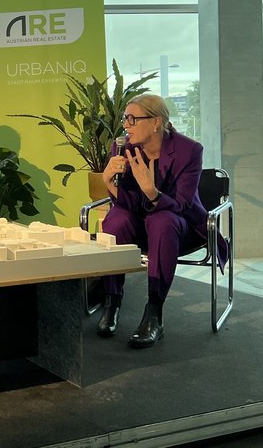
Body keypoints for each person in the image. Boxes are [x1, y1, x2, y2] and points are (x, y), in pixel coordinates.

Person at [96, 93, 227, 348]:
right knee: (116, 221)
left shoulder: (189, 151)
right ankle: (112, 300)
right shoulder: (122, 148)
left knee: (163, 221)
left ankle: (154, 313)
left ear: (156, 122)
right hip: (140, 223)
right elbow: (127, 205)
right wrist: (108, 182)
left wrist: (152, 191)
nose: (126, 125)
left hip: (180, 226)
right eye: (125, 118)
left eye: (132, 119)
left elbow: (181, 205)